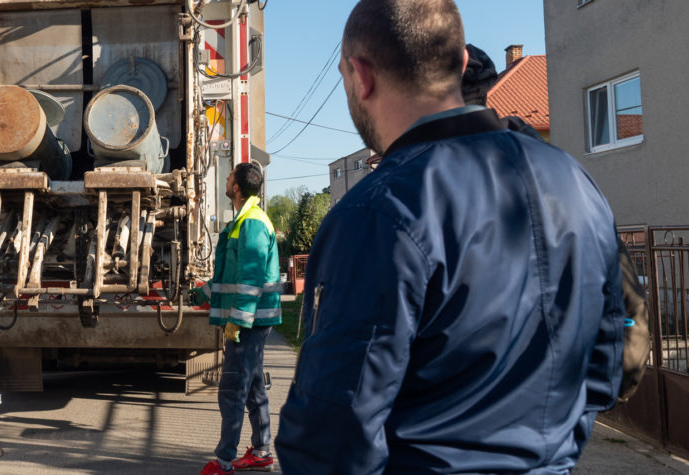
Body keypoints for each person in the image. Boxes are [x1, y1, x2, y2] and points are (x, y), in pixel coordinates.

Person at [275, 1, 624, 473]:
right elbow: (607, 358)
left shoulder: (377, 212)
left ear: (360, 75)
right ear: (462, 63)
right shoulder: (572, 180)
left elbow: (332, 434)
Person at [461, 43, 651, 404]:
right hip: (549, 418)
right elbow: (627, 304)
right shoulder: (568, 177)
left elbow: (625, 307)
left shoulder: (441, 187)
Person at [191, 162, 283, 475]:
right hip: (250, 321)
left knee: (232, 390)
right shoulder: (243, 221)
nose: (226, 179)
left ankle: (224, 462)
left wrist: (238, 321)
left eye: (230, 176)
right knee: (254, 389)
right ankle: (261, 451)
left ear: (238, 188)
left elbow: (251, 278)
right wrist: (201, 294)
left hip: (250, 323)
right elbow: (230, 275)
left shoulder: (253, 223)